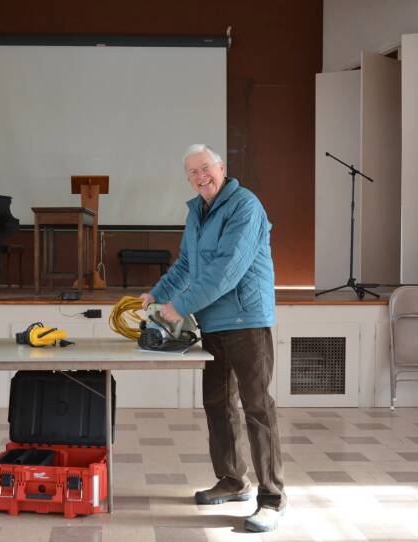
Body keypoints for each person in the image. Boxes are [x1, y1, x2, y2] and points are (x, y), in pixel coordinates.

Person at [141, 144, 286, 532]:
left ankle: (271, 498)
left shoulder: (245, 206)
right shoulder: (197, 212)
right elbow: (187, 264)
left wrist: (181, 304)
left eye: (205, 168)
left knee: (257, 406)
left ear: (221, 168)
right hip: (213, 322)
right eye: (192, 172)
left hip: (246, 319)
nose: (200, 176)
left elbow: (228, 268)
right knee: (217, 404)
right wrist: (157, 293)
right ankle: (233, 480)